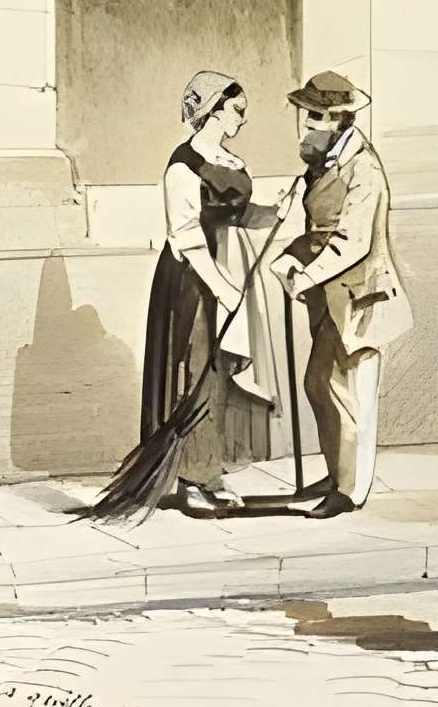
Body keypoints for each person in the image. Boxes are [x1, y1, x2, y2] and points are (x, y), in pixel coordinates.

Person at [140, 71, 287, 515]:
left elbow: (238, 215)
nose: (242, 119)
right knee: (195, 375)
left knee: (220, 375)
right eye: (237, 110)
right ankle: (188, 479)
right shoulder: (183, 166)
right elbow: (184, 235)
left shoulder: (228, 160)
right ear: (213, 109)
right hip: (192, 281)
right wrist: (223, 289)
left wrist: (278, 212)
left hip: (227, 270)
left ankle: (209, 469)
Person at [270, 71, 412, 519]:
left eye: (313, 116)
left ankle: (350, 489)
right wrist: (290, 259)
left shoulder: (363, 168)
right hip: (329, 295)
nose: (304, 125)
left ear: (338, 118)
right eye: (303, 114)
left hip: (360, 296)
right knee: (320, 384)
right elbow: (315, 229)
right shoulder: (323, 164)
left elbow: (352, 242)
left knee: (350, 394)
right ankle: (336, 474)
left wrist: (305, 275)